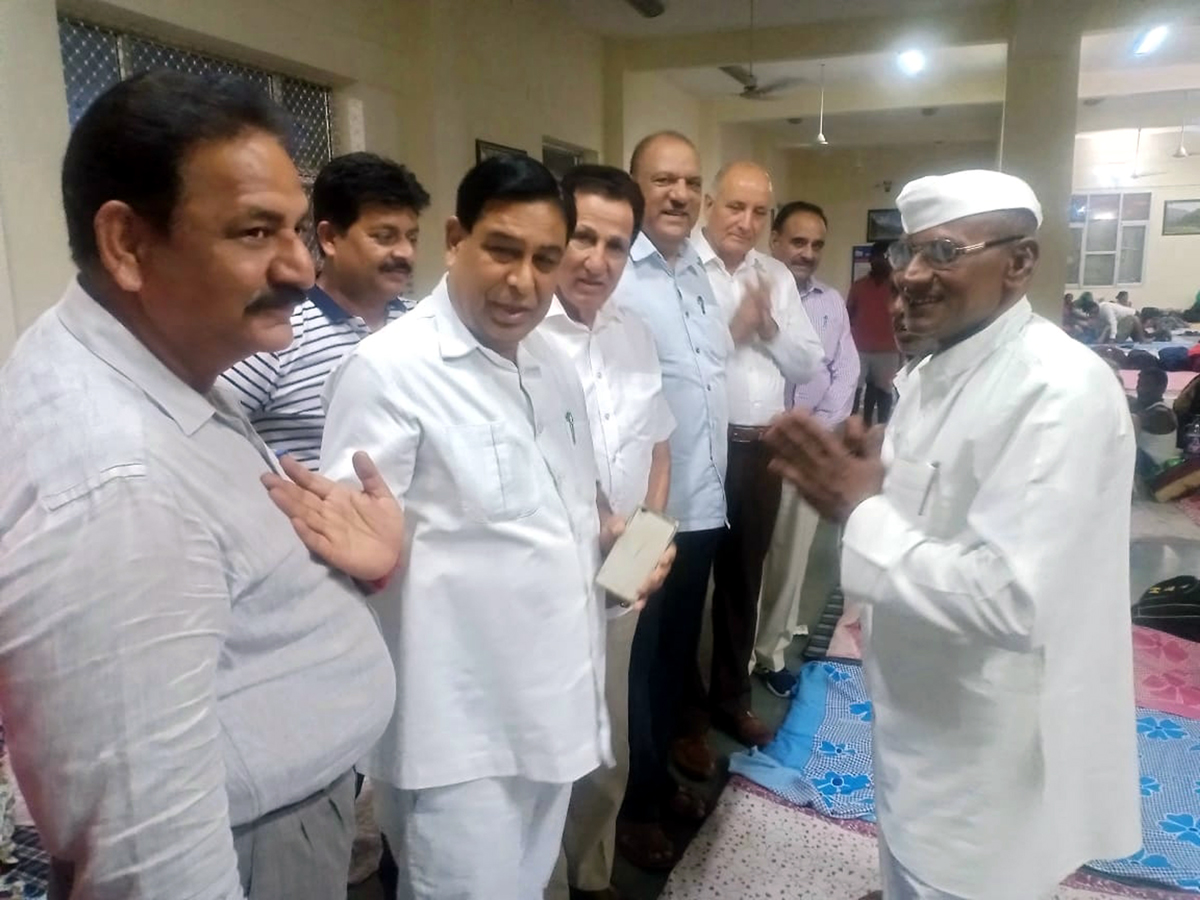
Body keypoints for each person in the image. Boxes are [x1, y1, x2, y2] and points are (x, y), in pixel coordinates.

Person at [0, 71, 402, 900]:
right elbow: (150, 859)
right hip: (251, 852)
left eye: (298, 229)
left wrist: (357, 569)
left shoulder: (162, 363)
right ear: (126, 244)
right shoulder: (120, 486)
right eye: (255, 232)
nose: (301, 268)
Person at [764, 169, 1140, 900]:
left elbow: (1013, 600)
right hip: (918, 715)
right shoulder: (936, 369)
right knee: (909, 863)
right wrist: (879, 483)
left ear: (1019, 263)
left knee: (960, 879)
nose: (911, 274)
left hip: (987, 753)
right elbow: (936, 517)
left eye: (943, 252)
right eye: (907, 251)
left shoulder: (1057, 389)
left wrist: (860, 510)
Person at [318, 155, 672, 900]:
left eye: (545, 259)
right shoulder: (389, 370)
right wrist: (367, 565)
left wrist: (611, 549)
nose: (523, 281)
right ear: (456, 239)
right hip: (460, 736)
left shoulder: (551, 364)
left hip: (554, 706)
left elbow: (564, 517)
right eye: (502, 251)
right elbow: (349, 558)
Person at [539, 164, 674, 900]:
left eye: (616, 245)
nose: (597, 260)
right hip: (544, 586)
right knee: (545, 752)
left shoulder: (635, 335)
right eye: (582, 237)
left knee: (607, 744)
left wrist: (641, 560)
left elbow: (659, 446)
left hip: (621, 580)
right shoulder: (523, 337)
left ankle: (591, 875)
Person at [611, 130, 729, 870]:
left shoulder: (696, 274)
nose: (679, 194)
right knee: (633, 666)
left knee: (673, 658)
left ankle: (654, 780)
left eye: (689, 181)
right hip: (642, 514)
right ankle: (632, 807)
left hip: (701, 502)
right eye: (663, 180)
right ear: (636, 187)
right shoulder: (616, 272)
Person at [695, 165, 823, 731]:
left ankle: (730, 700)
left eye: (759, 212)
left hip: (761, 450)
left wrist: (767, 327)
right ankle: (683, 718)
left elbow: (807, 363)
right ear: (710, 203)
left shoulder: (776, 275)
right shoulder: (681, 270)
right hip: (699, 448)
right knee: (685, 588)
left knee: (743, 582)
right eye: (735, 207)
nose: (746, 222)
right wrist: (733, 330)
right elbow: (676, 368)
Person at [222, 152, 429, 466]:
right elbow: (203, 433)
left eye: (412, 238)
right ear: (330, 238)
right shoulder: (279, 330)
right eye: (384, 237)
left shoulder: (424, 326)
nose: (405, 253)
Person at [755, 201, 860, 697]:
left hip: (807, 448)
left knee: (793, 553)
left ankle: (771, 652)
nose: (808, 253)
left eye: (817, 244)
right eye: (798, 242)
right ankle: (743, 647)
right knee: (751, 556)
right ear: (775, 240)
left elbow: (846, 371)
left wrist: (813, 430)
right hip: (753, 444)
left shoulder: (830, 302)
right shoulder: (753, 289)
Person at [847, 239, 900, 425]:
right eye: (878, 256)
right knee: (854, 391)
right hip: (859, 350)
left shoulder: (898, 287)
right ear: (870, 259)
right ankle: (854, 427)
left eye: (886, 257)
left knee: (883, 391)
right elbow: (848, 315)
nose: (881, 261)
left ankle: (881, 429)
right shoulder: (859, 286)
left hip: (888, 351)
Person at [1132, 367, 1178, 477]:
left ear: (1161, 388)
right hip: (1145, 464)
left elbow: (1128, 422)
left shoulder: (1161, 414)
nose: (1140, 389)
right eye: (1139, 384)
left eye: (1147, 385)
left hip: (1154, 470)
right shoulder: (1147, 408)